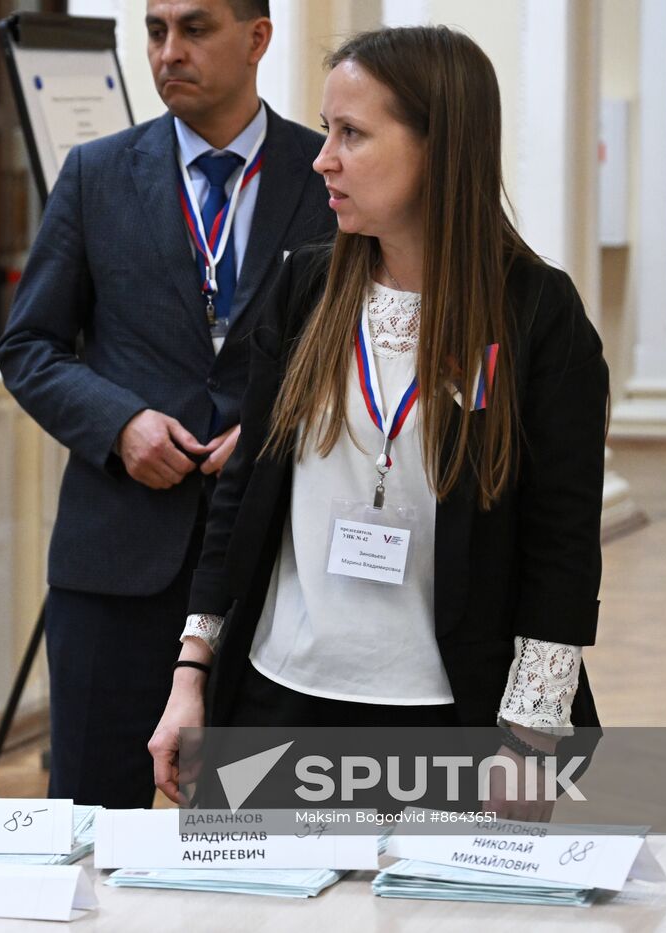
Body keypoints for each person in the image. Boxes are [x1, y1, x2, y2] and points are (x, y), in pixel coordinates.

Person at [149, 25, 608, 822]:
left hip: (451, 713)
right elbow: (242, 499)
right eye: (327, 130)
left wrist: (534, 736)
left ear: (441, 145)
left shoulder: (538, 313)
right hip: (274, 698)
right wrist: (192, 673)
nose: (323, 157)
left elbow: (561, 544)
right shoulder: (305, 286)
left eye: (352, 134)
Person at [0, 0, 335, 807]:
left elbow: (365, 348)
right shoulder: (96, 174)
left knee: (259, 818)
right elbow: (28, 347)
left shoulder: (326, 176)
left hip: (275, 563)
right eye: (155, 32)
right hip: (116, 560)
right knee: (88, 816)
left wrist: (276, 428)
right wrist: (120, 424)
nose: (168, 52)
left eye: (194, 29)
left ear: (257, 39)